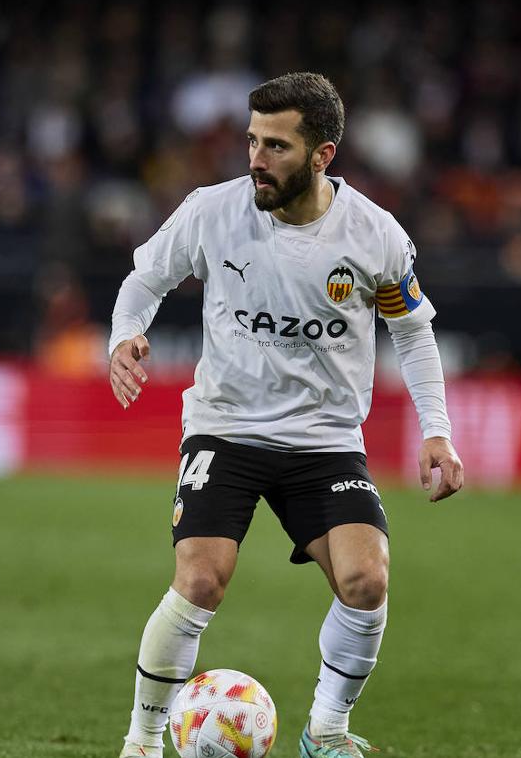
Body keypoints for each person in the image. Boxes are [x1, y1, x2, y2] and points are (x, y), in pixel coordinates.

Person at [107, 73, 465, 758]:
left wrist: (437, 429)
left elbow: (413, 332)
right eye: (251, 140)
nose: (255, 159)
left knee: (368, 579)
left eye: (276, 145)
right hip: (226, 427)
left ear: (322, 155)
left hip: (325, 439)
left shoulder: (374, 234)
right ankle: (143, 742)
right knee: (201, 578)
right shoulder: (213, 211)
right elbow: (144, 280)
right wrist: (123, 335)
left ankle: (325, 732)